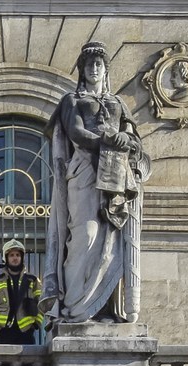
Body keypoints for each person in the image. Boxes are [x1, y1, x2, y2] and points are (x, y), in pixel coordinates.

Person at [45, 40, 146, 324]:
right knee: (85, 236)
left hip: (114, 172)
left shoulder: (118, 103)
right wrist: (107, 139)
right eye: (89, 65)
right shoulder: (72, 100)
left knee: (111, 242)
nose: (94, 69)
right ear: (82, 69)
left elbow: (133, 138)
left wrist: (125, 139)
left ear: (105, 69)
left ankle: (104, 309)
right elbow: (76, 132)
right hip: (85, 171)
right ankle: (75, 306)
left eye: (99, 64)